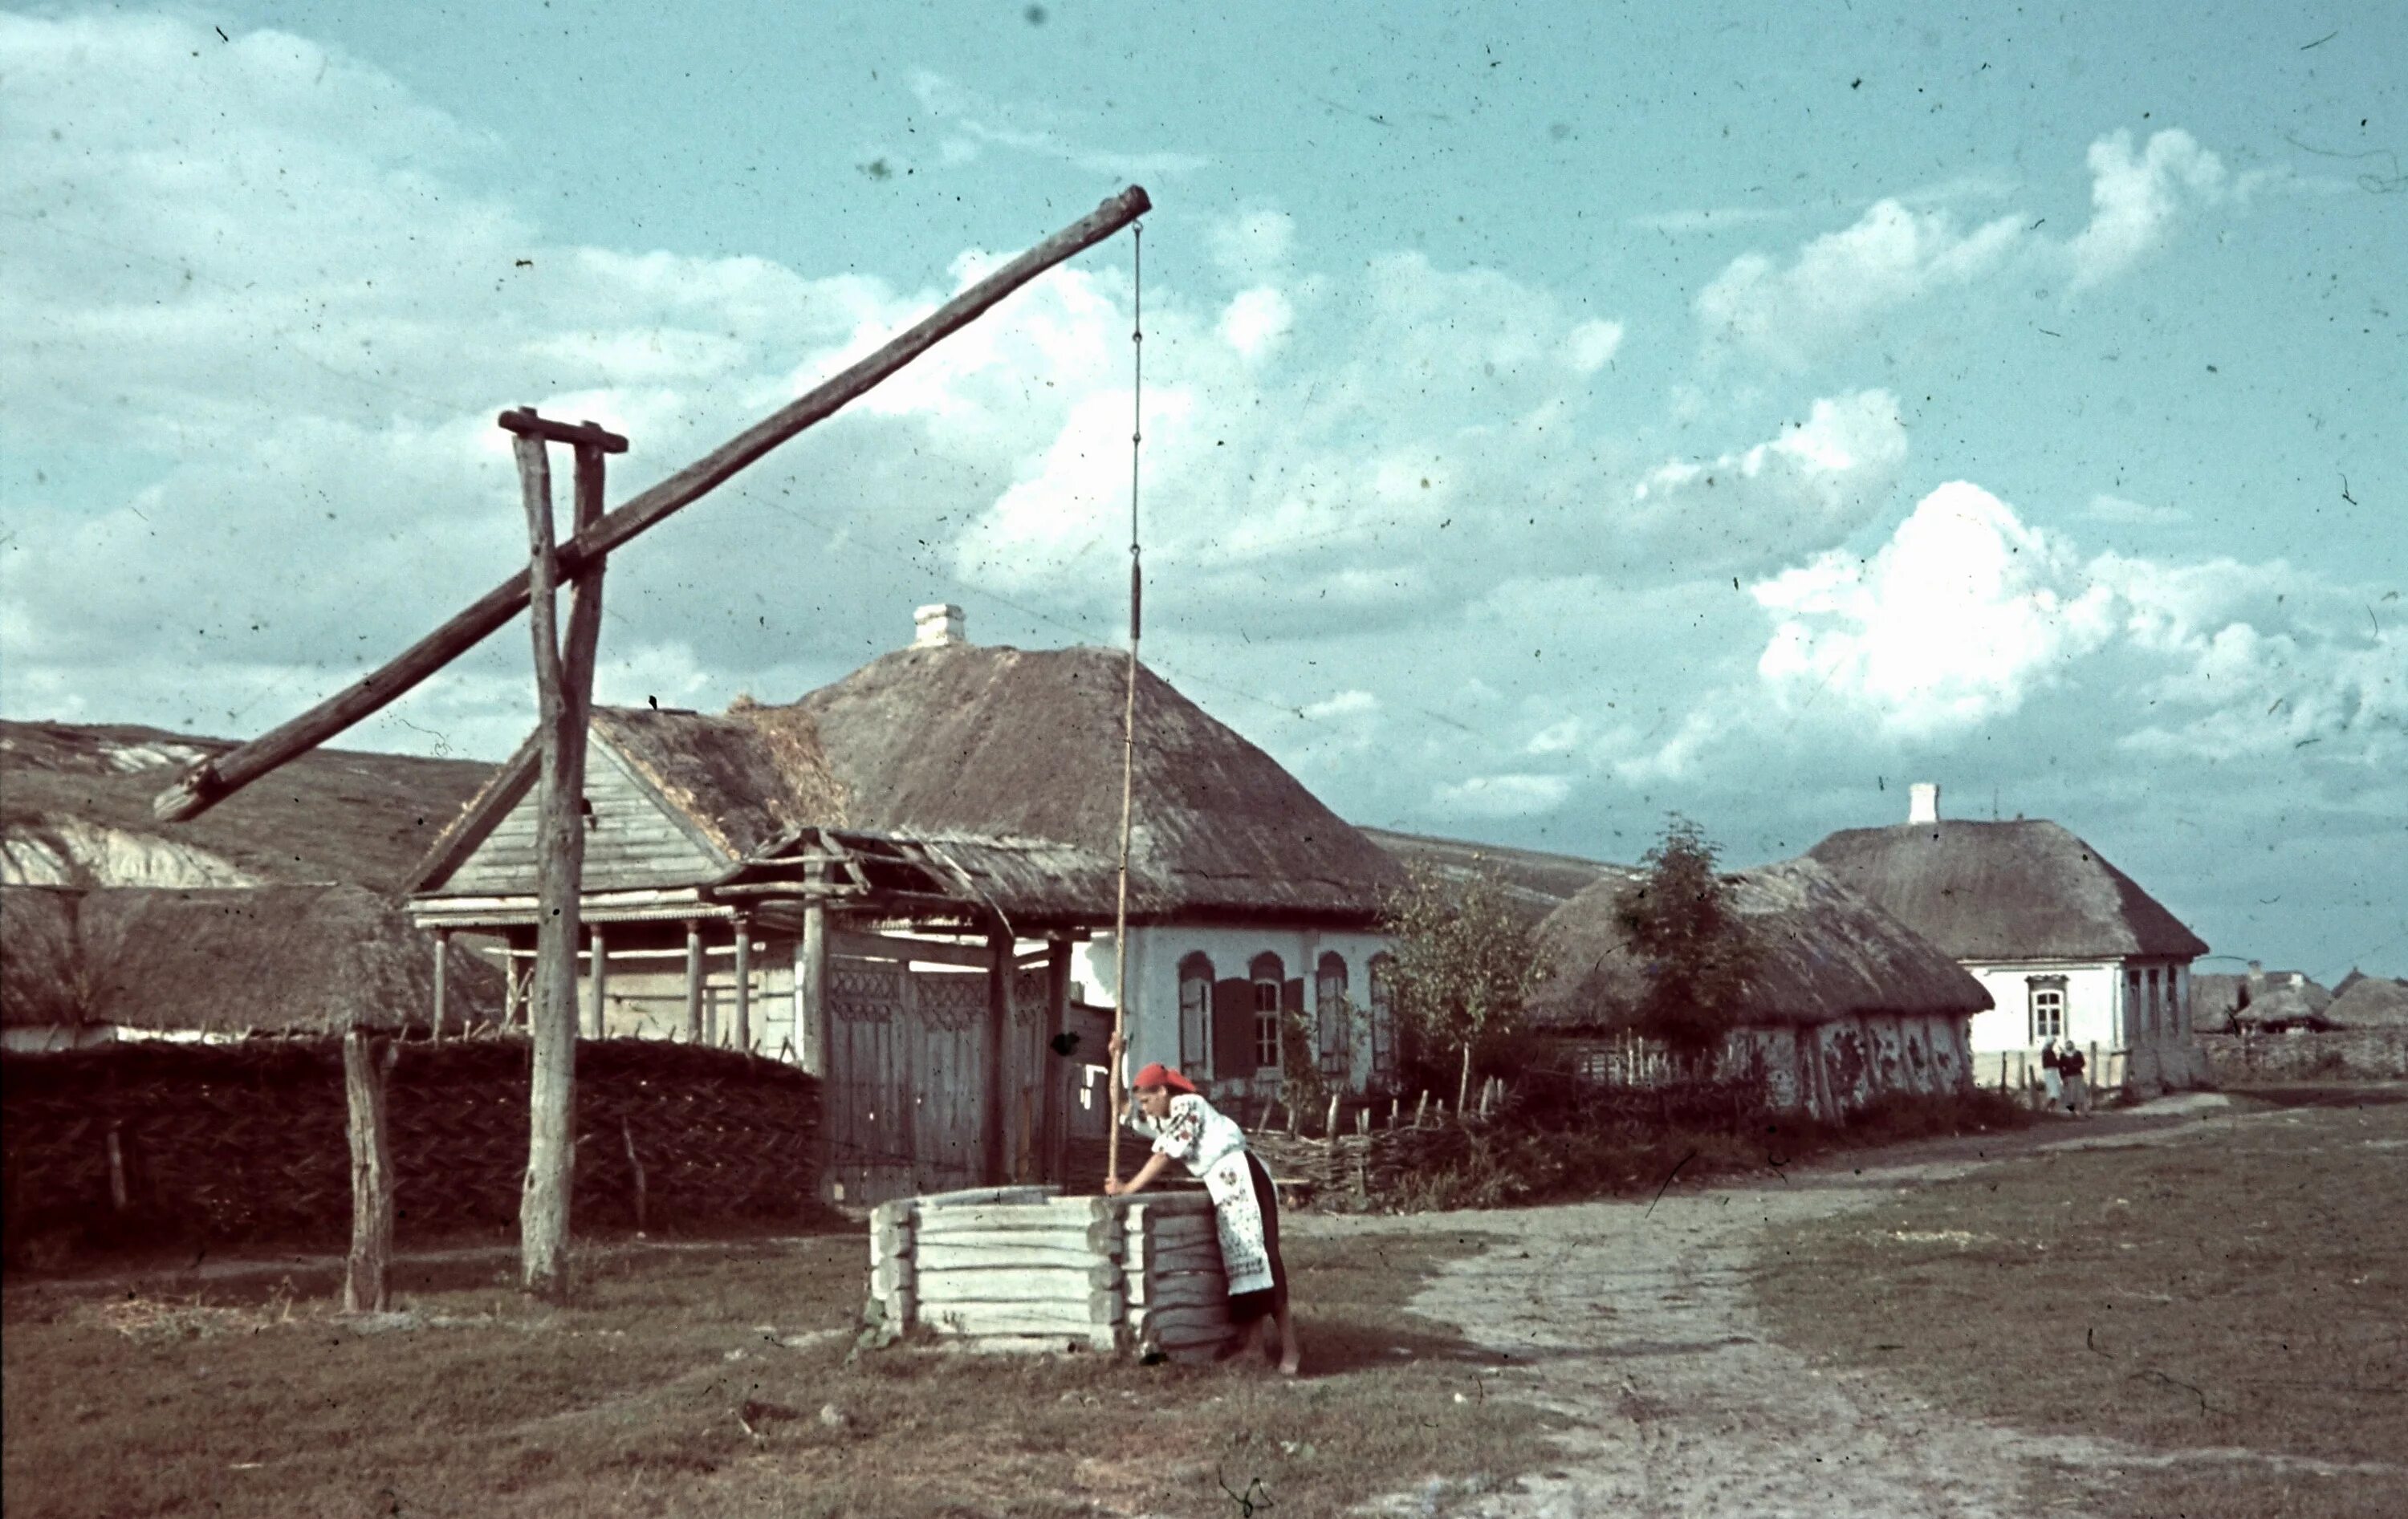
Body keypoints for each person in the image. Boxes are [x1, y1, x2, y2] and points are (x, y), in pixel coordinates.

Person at [1104, 1034, 1299, 1375]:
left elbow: (1165, 1154)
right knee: (1243, 1267)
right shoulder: (1163, 1118)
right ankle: (1254, 1348)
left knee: (1263, 1262)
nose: (1145, 1110)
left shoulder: (1187, 1108)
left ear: (1163, 1092)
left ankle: (1291, 1352)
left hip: (1245, 1178)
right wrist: (1116, 1059)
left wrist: (1128, 1188)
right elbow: (1120, 1108)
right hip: (1223, 1187)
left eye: (1148, 1101)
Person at [2060, 1040, 2091, 1116]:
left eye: (2071, 1045)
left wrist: (2077, 1066)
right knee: (2070, 1096)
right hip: (2069, 1076)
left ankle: (2085, 1112)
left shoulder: (2078, 1053)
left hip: (2078, 1075)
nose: (2069, 1046)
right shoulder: (2063, 1055)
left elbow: (2083, 1063)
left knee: (2081, 1094)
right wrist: (2063, 1078)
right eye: (2068, 1045)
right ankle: (2072, 1112)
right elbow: (2061, 1067)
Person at [2039, 1037, 2064, 1110]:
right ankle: (2047, 1108)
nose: (2053, 1044)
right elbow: (2054, 1063)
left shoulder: (2048, 1051)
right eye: (2052, 1043)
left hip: (2052, 1072)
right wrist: (2061, 1058)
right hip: (2050, 1072)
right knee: (2054, 1091)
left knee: (2055, 1091)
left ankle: (2049, 1108)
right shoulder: (2047, 1052)